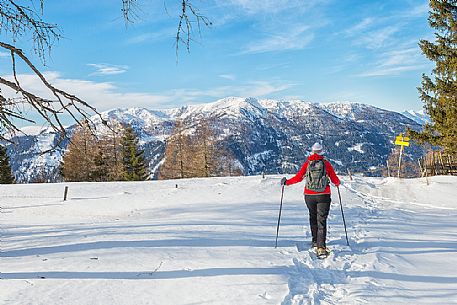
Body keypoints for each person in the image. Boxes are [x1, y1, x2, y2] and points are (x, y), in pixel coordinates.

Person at [280, 142, 340, 257]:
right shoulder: (326, 164)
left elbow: (298, 178)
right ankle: (321, 247)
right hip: (323, 195)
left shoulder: (308, 164)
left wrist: (286, 182)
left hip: (309, 195)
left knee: (313, 217)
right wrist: (337, 183)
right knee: (321, 220)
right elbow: (334, 179)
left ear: (312, 152)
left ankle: (314, 241)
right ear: (322, 152)